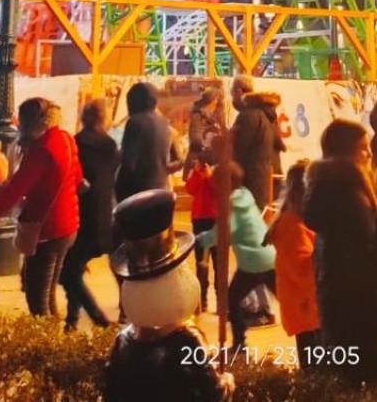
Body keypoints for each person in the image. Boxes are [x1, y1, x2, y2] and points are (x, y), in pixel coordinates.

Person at [0, 95, 81, 316]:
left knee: (37, 300)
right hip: (68, 226)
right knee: (48, 293)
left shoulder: (41, 151)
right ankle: (55, 334)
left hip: (47, 230)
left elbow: (5, 200)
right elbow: (77, 178)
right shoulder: (65, 138)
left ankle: (45, 337)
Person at [104, 189, 226, 402]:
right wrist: (227, 382)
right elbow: (215, 395)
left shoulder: (121, 342)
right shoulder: (189, 340)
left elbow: (110, 393)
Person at [302, 118, 377, 376]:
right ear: (346, 152)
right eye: (363, 148)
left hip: (338, 310)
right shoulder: (349, 198)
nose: (369, 154)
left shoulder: (325, 192)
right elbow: (363, 266)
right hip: (362, 317)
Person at [196, 161, 276, 356]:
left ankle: (240, 343)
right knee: (287, 297)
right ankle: (316, 334)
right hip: (268, 256)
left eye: (216, 181)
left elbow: (221, 233)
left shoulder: (230, 205)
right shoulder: (245, 196)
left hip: (252, 262)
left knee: (232, 299)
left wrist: (198, 240)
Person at [62, 96, 120, 328]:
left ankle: (97, 319)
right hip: (103, 214)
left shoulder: (76, 144)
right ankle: (72, 320)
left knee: (69, 272)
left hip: (82, 214)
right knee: (74, 269)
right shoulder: (110, 146)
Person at [266, 160, 320, 367]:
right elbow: (303, 272)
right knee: (314, 369)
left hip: (307, 309)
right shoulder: (292, 226)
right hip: (307, 311)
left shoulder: (298, 220)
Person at [117, 82, 179, 202]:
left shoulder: (135, 122)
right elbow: (177, 160)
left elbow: (129, 163)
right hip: (160, 188)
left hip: (137, 190)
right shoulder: (164, 123)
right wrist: (161, 170)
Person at [230, 75, 285, 208]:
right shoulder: (267, 114)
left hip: (251, 187)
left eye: (231, 93)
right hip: (267, 181)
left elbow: (237, 150)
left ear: (238, 91)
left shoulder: (248, 116)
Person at [183, 139, 219, 311]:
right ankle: (201, 299)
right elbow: (190, 189)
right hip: (199, 219)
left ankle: (220, 301)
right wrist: (197, 174)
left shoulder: (218, 172)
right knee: (200, 262)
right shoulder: (195, 172)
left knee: (218, 262)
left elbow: (220, 191)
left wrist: (210, 177)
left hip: (215, 218)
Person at [186, 86, 223, 176]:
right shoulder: (197, 115)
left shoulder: (214, 116)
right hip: (197, 162)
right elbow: (195, 139)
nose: (217, 103)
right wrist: (213, 144)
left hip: (209, 162)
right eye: (216, 99)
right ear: (212, 100)